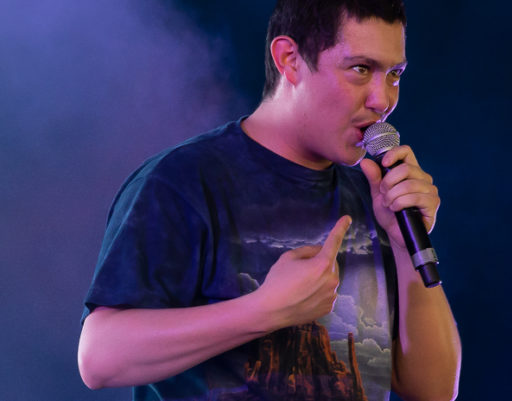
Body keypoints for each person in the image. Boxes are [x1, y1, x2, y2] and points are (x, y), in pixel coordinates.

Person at [77, 0, 461, 400]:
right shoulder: (182, 181)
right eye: (361, 69)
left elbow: (434, 391)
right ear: (289, 59)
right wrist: (263, 310)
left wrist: (403, 246)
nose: (382, 100)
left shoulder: (375, 194)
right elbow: (99, 358)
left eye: (394, 74)